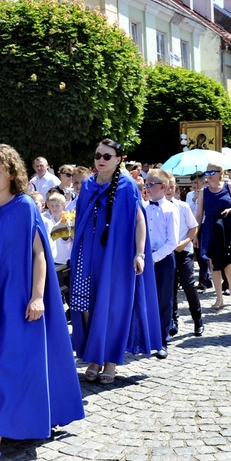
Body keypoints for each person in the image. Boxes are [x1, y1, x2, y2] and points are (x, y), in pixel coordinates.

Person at [0, 144, 84, 459]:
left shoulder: (25, 207)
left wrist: (38, 297)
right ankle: (23, 418)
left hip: (19, 299)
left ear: (12, 174)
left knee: (11, 363)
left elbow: (40, 255)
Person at [70, 139, 162, 382]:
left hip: (118, 257)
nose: (101, 160)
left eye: (107, 156)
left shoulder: (127, 186)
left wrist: (139, 254)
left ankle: (110, 361)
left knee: (113, 307)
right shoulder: (88, 185)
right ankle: (94, 357)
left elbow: (139, 221)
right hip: (88, 256)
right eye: (98, 155)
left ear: (119, 159)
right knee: (88, 306)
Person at [196, 163, 231, 309]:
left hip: (226, 226)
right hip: (210, 227)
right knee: (213, 262)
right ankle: (219, 297)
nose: (209, 175)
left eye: (212, 172)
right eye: (207, 172)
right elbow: (199, 214)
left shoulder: (229, 186)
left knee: (229, 261)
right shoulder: (203, 191)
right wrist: (196, 234)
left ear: (220, 173)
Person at [144, 169, 179, 355]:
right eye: (146, 184)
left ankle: (163, 340)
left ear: (163, 187)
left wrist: (154, 258)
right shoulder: (144, 207)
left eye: (151, 184)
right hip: (145, 260)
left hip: (163, 259)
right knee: (147, 298)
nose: (147, 188)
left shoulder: (170, 210)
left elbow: (172, 242)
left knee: (164, 299)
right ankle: (147, 336)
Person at [165, 176, 204, 336]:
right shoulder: (158, 207)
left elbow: (193, 227)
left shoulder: (183, 206)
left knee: (188, 283)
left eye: (172, 187)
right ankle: (173, 320)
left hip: (184, 250)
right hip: (167, 252)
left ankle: (198, 319)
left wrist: (186, 241)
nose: (169, 190)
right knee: (170, 286)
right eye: (166, 187)